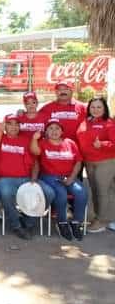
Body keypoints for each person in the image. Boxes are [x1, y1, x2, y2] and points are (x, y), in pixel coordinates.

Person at [0, 115, 54, 240]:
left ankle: (29, 221)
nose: (13, 127)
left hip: (26, 178)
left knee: (49, 193)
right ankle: (16, 225)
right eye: (10, 124)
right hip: (5, 179)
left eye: (16, 124)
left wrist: (34, 180)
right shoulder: (0, 138)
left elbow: (35, 162)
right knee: (6, 193)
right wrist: (0, 130)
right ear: (5, 126)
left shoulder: (26, 140)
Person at [31, 118, 88, 241]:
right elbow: (34, 152)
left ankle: (76, 222)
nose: (54, 131)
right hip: (49, 176)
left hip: (68, 175)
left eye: (57, 128)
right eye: (50, 128)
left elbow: (78, 162)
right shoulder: (43, 143)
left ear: (62, 131)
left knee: (81, 193)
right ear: (46, 131)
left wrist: (72, 178)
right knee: (61, 193)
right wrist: (35, 139)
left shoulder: (70, 143)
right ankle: (61, 222)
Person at [76, 97, 115, 233]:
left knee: (103, 191)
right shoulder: (86, 121)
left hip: (105, 161)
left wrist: (102, 144)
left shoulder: (109, 123)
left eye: (99, 107)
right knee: (95, 190)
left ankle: (102, 220)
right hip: (89, 161)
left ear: (104, 109)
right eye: (93, 107)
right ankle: (100, 216)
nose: (96, 110)